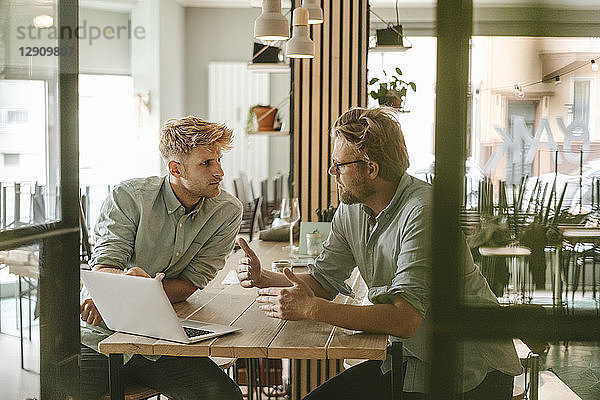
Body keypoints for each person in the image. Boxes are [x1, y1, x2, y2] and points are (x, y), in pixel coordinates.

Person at [236, 107, 522, 400]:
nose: (331, 172)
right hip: (410, 361)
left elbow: (404, 320)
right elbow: (323, 281)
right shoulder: (352, 207)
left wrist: (312, 309)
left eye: (339, 165)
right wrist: (264, 278)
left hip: (468, 372)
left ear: (371, 169)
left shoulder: (424, 211)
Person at [80, 116, 244, 400]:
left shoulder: (226, 211)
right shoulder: (129, 196)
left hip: (163, 340)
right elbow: (106, 266)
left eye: (218, 160)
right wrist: (134, 290)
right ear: (175, 168)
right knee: (63, 391)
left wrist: (141, 291)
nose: (219, 171)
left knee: (223, 396)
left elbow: (191, 283)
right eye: (206, 163)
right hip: (100, 335)